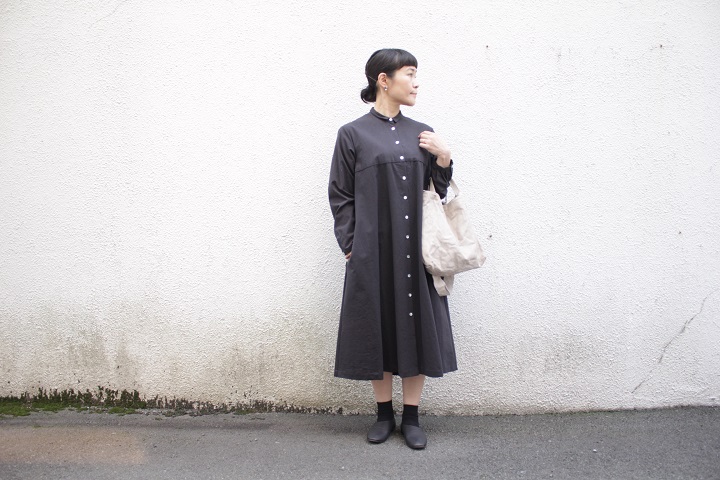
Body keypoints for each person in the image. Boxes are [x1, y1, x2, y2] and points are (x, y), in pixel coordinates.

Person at [328, 48, 457, 450]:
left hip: (418, 251)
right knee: (378, 326)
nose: (416, 83)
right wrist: (351, 245)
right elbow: (340, 194)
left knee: (417, 326)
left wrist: (444, 157)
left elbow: (437, 192)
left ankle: (412, 417)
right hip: (373, 251)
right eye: (410, 74)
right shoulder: (352, 134)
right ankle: (384, 414)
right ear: (383, 80)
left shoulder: (423, 133)